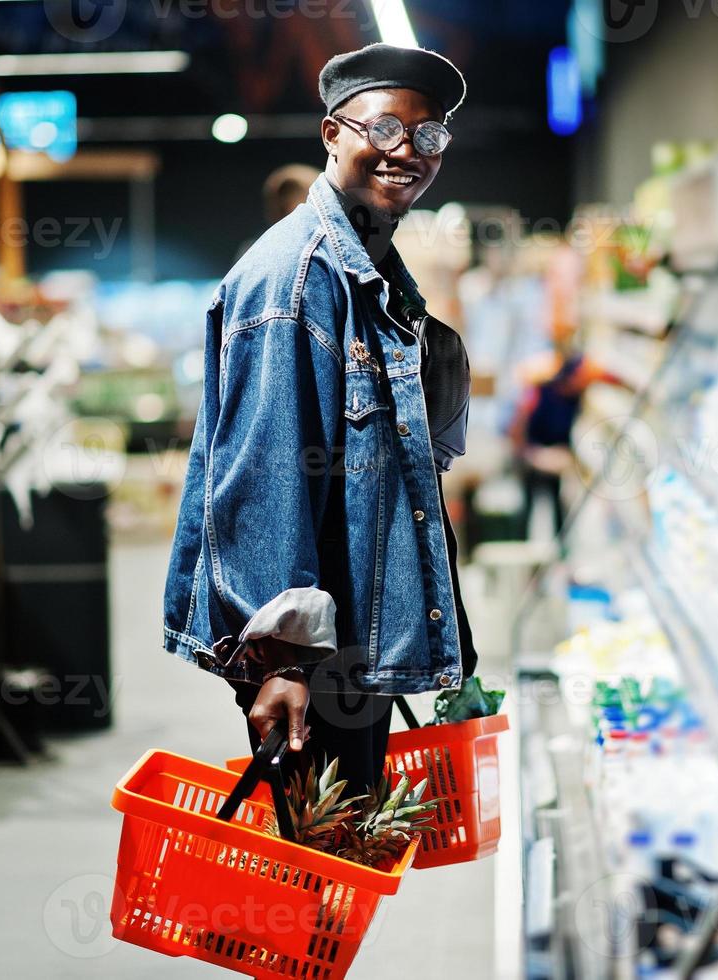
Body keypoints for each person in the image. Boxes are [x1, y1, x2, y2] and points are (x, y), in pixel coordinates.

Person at [163, 43, 476, 791]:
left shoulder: (369, 276)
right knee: (315, 885)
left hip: (352, 636)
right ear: (332, 134)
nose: (407, 152)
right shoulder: (296, 279)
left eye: (427, 136)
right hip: (315, 658)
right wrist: (281, 661)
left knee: (338, 880)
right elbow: (261, 470)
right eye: (383, 129)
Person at [508, 316, 630, 536]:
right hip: (534, 456)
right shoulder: (539, 390)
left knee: (557, 510)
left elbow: (609, 377)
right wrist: (533, 455)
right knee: (527, 510)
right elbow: (517, 430)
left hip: (558, 456)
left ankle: (558, 549)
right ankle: (526, 555)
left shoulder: (578, 385)